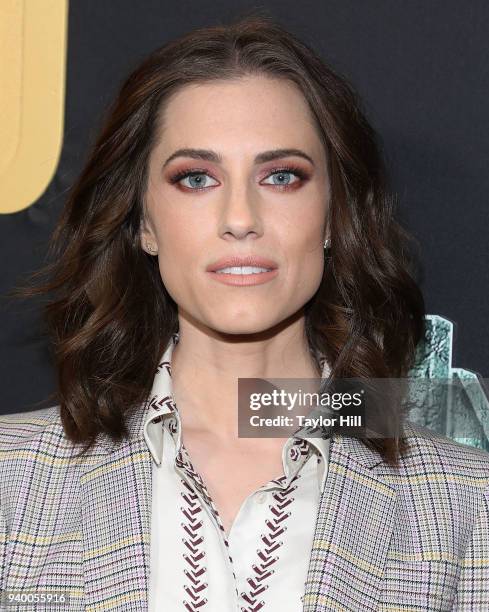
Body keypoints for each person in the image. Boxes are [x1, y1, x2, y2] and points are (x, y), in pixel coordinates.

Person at [1, 13, 488, 612]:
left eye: (282, 176)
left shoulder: (466, 505)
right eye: (196, 178)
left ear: (335, 216)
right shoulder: (12, 481)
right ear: (145, 223)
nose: (240, 218)